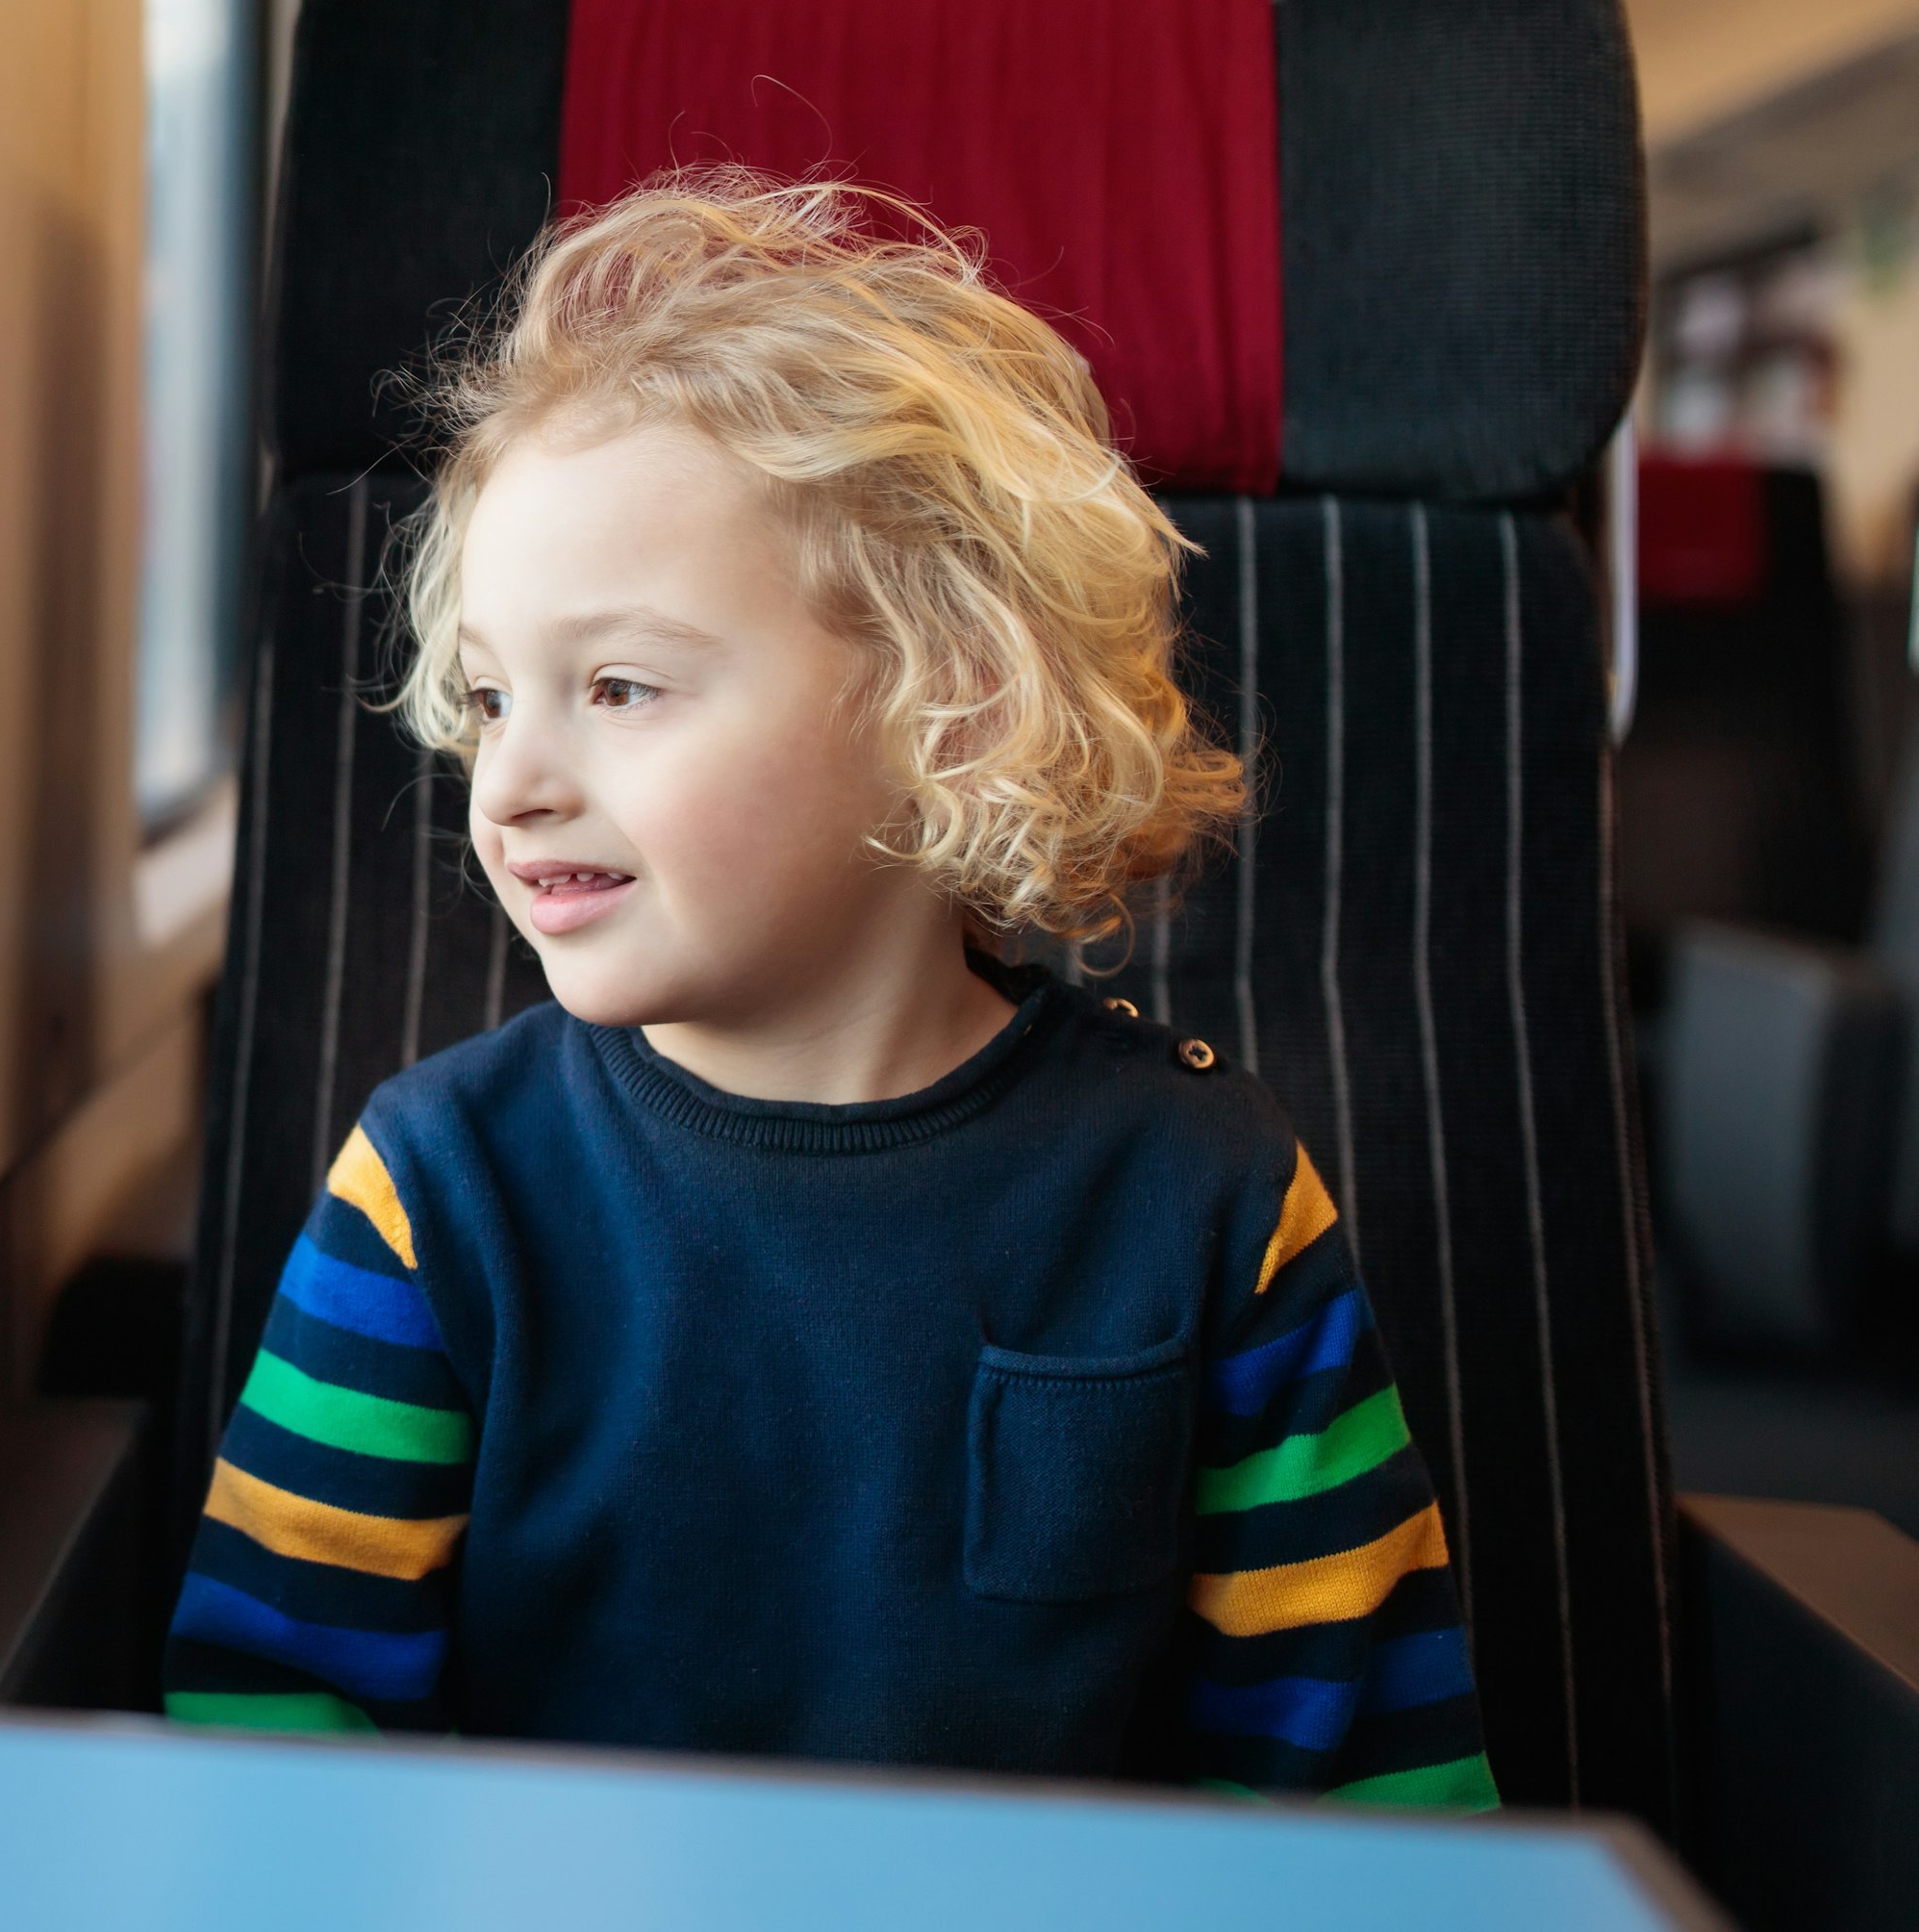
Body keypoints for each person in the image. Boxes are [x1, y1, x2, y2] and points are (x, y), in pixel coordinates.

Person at [161, 171, 1497, 1807]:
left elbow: (1373, 1787)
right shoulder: (438, 1191)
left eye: (621, 685)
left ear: (949, 704)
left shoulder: (1207, 1203)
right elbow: (270, 1733)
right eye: (493, 697)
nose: (506, 781)